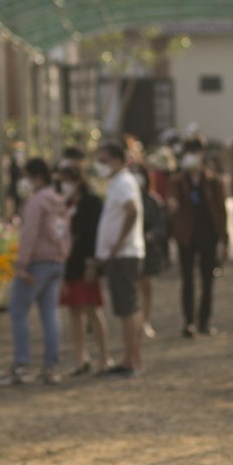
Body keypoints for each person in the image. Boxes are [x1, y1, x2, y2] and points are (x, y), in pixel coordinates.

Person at [0, 158, 68, 385]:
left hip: (36, 262)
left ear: (35, 176)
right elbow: (66, 232)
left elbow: (30, 234)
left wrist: (21, 264)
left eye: (26, 176)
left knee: (18, 310)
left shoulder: (36, 202)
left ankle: (20, 364)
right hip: (56, 261)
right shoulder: (57, 199)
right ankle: (50, 365)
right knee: (49, 313)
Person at [91, 140, 145, 377]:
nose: (100, 166)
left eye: (103, 161)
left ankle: (131, 360)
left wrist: (117, 244)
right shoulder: (118, 182)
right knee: (126, 308)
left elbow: (132, 211)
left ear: (117, 160)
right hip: (120, 253)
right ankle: (130, 357)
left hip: (123, 254)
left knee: (127, 308)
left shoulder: (123, 182)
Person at [166, 140, 230, 337]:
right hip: (186, 237)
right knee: (187, 279)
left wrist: (225, 240)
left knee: (207, 280)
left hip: (208, 236)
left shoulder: (212, 181)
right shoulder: (178, 181)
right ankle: (189, 322)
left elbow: (221, 211)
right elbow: (172, 201)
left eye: (195, 153)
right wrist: (172, 207)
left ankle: (204, 321)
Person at [55, 162, 109, 376]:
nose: (64, 185)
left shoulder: (92, 202)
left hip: (85, 263)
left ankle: (104, 357)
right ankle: (80, 357)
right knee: (73, 311)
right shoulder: (64, 204)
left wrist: (92, 262)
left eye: (67, 180)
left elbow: (95, 234)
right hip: (69, 264)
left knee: (92, 309)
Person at [137, 149, 173, 340]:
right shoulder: (127, 199)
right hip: (132, 249)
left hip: (149, 249)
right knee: (134, 287)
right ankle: (135, 320)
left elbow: (161, 225)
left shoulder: (153, 201)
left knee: (147, 286)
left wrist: (151, 235)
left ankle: (145, 320)